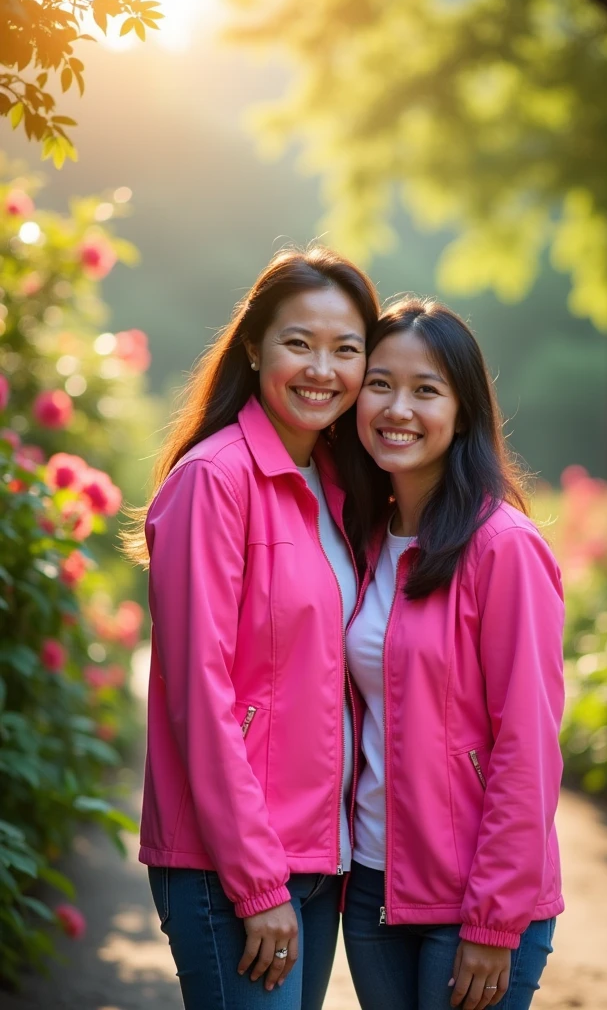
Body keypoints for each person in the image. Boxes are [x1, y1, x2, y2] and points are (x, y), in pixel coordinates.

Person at [123, 246, 379, 1010]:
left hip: (316, 856)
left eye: (346, 349)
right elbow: (197, 694)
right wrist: (255, 879)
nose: (321, 369)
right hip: (227, 863)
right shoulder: (213, 480)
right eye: (299, 343)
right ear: (253, 347)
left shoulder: (338, 487)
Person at [341, 297, 565, 1010]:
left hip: (474, 899)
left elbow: (527, 747)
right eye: (380, 383)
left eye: (425, 390)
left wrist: (495, 921)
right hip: (372, 887)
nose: (397, 407)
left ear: (463, 413)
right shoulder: (367, 541)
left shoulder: (503, 548)